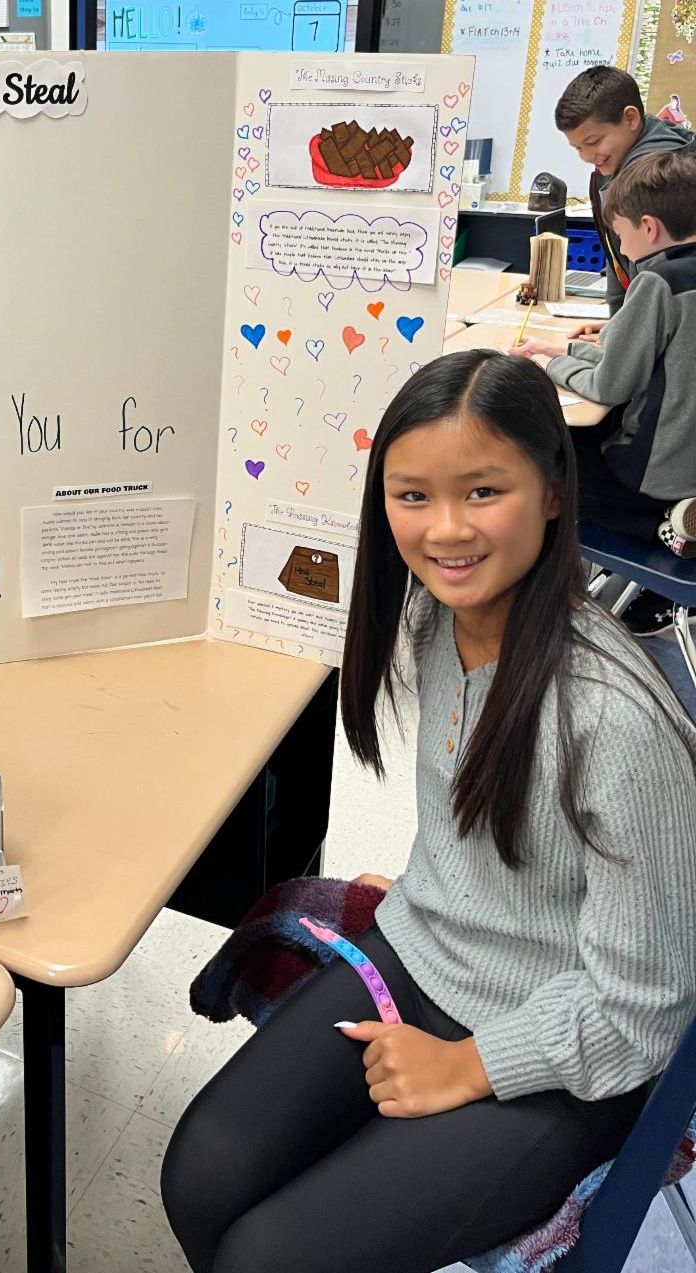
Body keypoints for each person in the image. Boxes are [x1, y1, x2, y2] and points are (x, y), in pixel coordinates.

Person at [161, 351, 696, 1273]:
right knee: (200, 1176)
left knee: (269, 1256)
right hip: (421, 955)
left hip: (565, 1043)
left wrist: (471, 1064)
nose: (446, 529)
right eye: (413, 495)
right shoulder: (434, 621)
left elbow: (643, 1004)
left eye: (483, 490)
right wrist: (438, 884)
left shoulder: (615, 719)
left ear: (554, 490)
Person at [511, 151, 696, 644]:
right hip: (689, 457)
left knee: (549, 464)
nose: (621, 247)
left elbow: (611, 385)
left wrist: (548, 366)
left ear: (649, 228)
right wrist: (564, 349)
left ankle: (660, 527)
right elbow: (648, 356)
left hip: (656, 470)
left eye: (620, 234)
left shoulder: (656, 282)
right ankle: (669, 520)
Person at [555, 65, 695, 335]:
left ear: (630, 119)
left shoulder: (655, 176)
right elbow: (616, 252)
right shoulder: (618, 161)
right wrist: (619, 325)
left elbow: (660, 278)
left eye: (593, 142)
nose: (586, 156)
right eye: (577, 148)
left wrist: (628, 334)